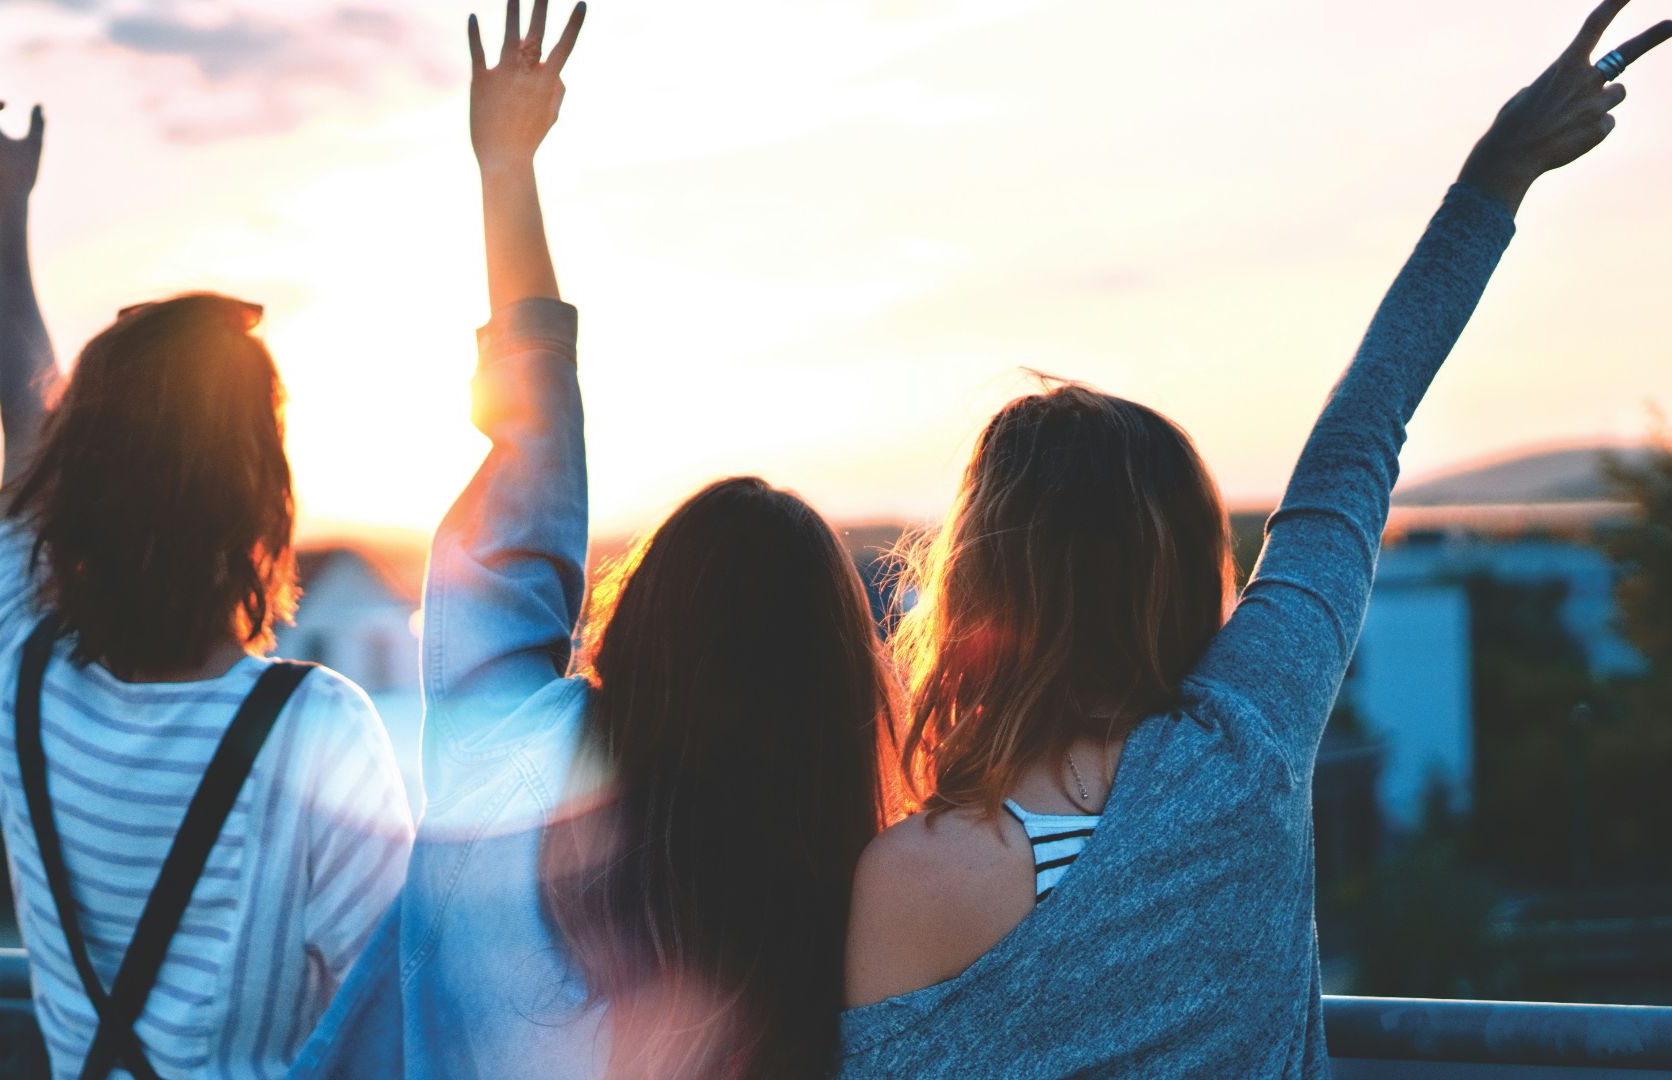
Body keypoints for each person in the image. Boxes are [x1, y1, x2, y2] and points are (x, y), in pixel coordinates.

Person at [837, 3, 1670, 1075]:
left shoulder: (910, 879)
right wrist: (1496, 178)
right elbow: (1358, 439)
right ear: (1185, 571)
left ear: (980, 581)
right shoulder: (1247, 739)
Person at [288, 4, 899, 1078]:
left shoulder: (504, 770)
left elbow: (529, 480)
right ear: (834, 688)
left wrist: (505, 168)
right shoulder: (851, 921)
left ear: (645, 622)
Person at [0, 66, 414, 1079]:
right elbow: (398, 1030)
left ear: (75, 486)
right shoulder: (317, 734)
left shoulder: (20, 672)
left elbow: (26, 425)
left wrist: (5, 218)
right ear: (261, 501)